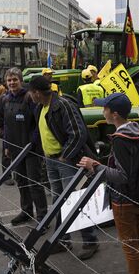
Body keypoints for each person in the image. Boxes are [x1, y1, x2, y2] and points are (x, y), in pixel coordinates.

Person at [78, 93, 139, 274]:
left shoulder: (121, 140)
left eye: (104, 108)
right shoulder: (137, 131)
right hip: (137, 197)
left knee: (130, 247)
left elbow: (123, 176)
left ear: (114, 114)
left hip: (123, 199)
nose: (102, 111)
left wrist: (94, 166)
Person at [28, 75, 100, 260]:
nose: (30, 95)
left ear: (36, 92)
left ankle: (90, 241)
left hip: (66, 161)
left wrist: (64, 155)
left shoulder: (63, 105)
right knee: (59, 201)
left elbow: (77, 133)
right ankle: (63, 240)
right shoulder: (40, 108)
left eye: (31, 92)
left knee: (76, 201)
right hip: (52, 161)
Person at [0, 68, 48, 226]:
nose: (12, 83)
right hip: (14, 148)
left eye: (15, 80)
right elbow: (4, 125)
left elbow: (39, 124)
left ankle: (42, 216)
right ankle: (26, 211)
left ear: (20, 80)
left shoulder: (30, 98)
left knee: (34, 182)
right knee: (21, 181)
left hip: (31, 149)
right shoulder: (5, 99)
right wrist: (6, 145)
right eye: (9, 80)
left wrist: (33, 143)